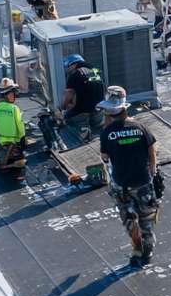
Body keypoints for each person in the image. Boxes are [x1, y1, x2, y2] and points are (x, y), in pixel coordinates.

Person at [98, 86, 162, 269]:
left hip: (121, 185)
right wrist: (152, 174)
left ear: (109, 110)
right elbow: (152, 154)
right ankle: (147, 250)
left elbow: (105, 158)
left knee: (128, 220)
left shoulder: (107, 133)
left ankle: (136, 250)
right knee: (146, 220)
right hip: (143, 182)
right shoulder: (141, 128)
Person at [0, 78, 28, 181]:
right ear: (8, 94)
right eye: (13, 93)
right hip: (13, 144)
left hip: (0, 142)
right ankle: (15, 168)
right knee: (22, 159)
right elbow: (20, 127)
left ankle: (4, 161)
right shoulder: (14, 108)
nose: (15, 96)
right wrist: (23, 139)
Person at [59, 54, 105, 144]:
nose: (67, 69)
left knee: (68, 122)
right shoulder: (95, 71)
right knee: (98, 132)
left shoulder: (75, 74)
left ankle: (82, 142)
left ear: (72, 64)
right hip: (98, 109)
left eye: (68, 67)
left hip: (81, 111)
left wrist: (63, 107)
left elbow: (69, 94)